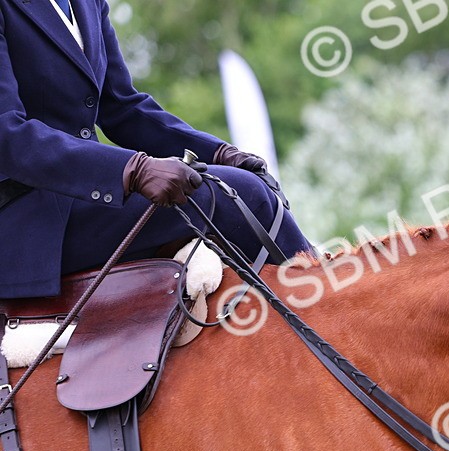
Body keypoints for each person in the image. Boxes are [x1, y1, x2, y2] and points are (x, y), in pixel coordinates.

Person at [0, 0, 311, 299]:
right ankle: (322, 300)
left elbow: (123, 107)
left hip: (80, 203)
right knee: (241, 194)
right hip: (28, 221)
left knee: (249, 184)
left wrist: (217, 153)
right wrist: (132, 170)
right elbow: (8, 136)